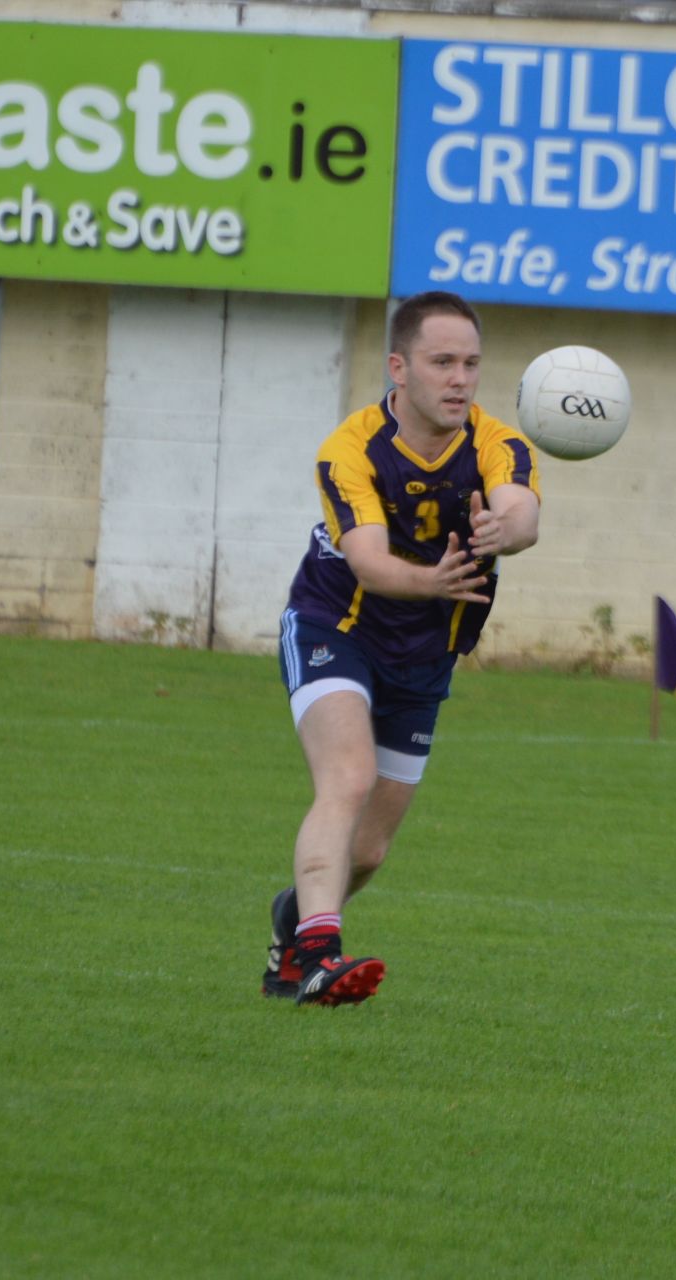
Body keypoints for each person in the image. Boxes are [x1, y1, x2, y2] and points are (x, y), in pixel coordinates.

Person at [263, 290, 542, 1007]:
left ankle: (296, 917)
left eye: (471, 363)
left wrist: (501, 532)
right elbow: (369, 564)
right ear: (399, 367)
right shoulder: (350, 450)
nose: (459, 378)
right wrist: (437, 578)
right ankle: (320, 957)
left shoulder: (496, 442)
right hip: (339, 628)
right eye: (441, 361)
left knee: (370, 850)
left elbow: (522, 510)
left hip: (425, 655)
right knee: (347, 778)